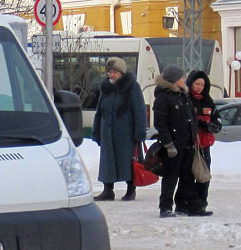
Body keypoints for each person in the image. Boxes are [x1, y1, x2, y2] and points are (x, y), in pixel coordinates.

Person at [153, 64, 212, 218]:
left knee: (187, 177)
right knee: (171, 177)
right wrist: (168, 144)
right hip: (173, 145)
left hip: (187, 144)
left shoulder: (183, 95)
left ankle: (190, 207)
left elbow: (190, 119)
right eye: (182, 77)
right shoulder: (163, 98)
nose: (184, 80)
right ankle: (165, 207)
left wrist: (194, 138)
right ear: (174, 80)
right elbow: (160, 123)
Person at [91, 57, 147, 201]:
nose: (112, 74)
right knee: (108, 161)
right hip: (107, 132)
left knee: (128, 160)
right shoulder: (106, 88)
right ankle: (108, 190)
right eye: (110, 71)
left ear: (122, 72)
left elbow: (139, 110)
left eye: (115, 71)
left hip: (126, 133)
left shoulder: (132, 87)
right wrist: (97, 131)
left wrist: (139, 133)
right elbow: (100, 111)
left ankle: (131, 189)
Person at [187, 70, 221, 213]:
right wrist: (200, 123)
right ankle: (190, 204)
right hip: (190, 145)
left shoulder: (208, 101)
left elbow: (217, 120)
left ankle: (202, 203)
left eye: (202, 84)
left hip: (205, 144)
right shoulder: (187, 100)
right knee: (188, 176)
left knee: (204, 175)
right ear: (191, 84)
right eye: (197, 84)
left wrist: (213, 126)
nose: (199, 87)